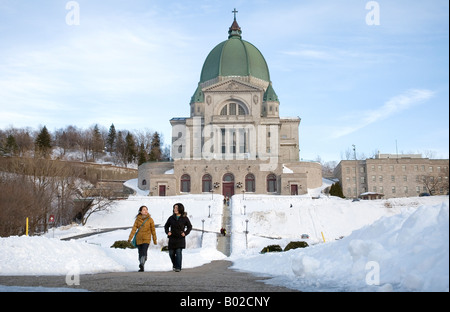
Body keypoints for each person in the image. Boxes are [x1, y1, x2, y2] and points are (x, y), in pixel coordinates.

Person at [164, 203, 192, 272]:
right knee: (171, 253)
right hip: (172, 238)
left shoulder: (184, 218)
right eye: (174, 208)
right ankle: (175, 264)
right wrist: (168, 232)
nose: (175, 209)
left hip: (180, 238)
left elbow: (189, 226)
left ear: (180, 208)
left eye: (176, 208)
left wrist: (185, 233)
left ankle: (178, 267)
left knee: (178, 252)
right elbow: (166, 226)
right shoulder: (171, 218)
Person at [128, 205, 157, 272]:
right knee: (140, 253)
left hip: (146, 238)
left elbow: (153, 230)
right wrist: (130, 238)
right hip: (139, 238)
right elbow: (134, 229)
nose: (145, 211)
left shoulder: (150, 219)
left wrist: (154, 239)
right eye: (144, 209)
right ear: (140, 211)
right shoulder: (137, 220)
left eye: (146, 209)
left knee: (144, 251)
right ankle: (142, 266)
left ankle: (142, 263)